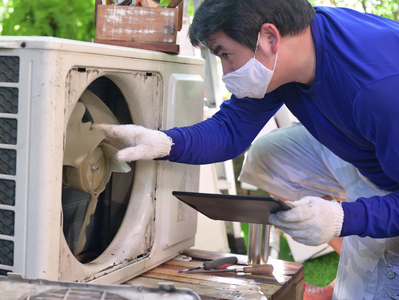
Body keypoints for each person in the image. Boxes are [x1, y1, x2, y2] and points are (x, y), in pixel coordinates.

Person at [91, 0, 399, 298]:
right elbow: (230, 130)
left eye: (226, 54)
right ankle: (357, 225)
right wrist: (165, 142)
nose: (225, 73)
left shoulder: (379, 91)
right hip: (370, 143)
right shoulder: (291, 49)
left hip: (386, 156)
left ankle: (367, 228)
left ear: (268, 37)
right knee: (267, 156)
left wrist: (344, 218)